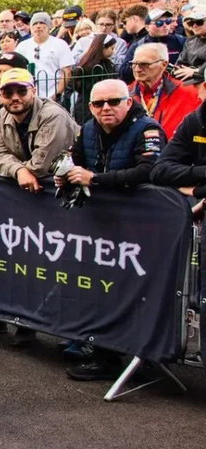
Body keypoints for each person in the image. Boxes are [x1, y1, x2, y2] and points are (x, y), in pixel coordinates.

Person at [50, 78, 167, 380]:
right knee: (99, 287)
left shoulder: (147, 129)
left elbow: (150, 171)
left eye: (113, 101)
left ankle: (124, 354)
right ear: (90, 107)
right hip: (100, 227)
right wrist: (64, 174)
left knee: (131, 291)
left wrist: (95, 179)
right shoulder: (88, 128)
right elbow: (73, 159)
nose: (106, 108)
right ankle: (98, 348)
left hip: (141, 228)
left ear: (128, 102)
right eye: (98, 103)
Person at [127, 42, 194, 139]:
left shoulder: (188, 93)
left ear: (163, 64)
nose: (137, 69)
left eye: (144, 64)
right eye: (133, 64)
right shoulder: (124, 95)